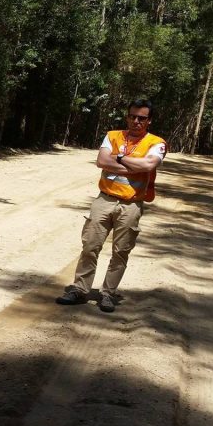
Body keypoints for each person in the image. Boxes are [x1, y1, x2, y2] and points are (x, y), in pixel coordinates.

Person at [56, 99, 167, 313]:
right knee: (90, 246)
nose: (136, 121)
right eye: (132, 116)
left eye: (141, 118)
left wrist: (118, 158)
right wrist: (132, 165)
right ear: (127, 117)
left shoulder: (156, 142)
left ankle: (108, 294)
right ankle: (79, 290)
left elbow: (149, 164)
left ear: (149, 121)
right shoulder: (112, 135)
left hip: (132, 204)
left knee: (120, 252)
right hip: (104, 199)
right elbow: (102, 161)